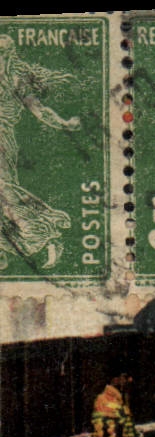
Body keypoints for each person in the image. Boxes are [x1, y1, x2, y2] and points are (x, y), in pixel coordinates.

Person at [0, 34, 81, 272]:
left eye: (2, 53)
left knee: (5, 194)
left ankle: (46, 229)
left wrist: (64, 124)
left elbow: (40, 110)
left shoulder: (15, 81)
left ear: (9, 56)